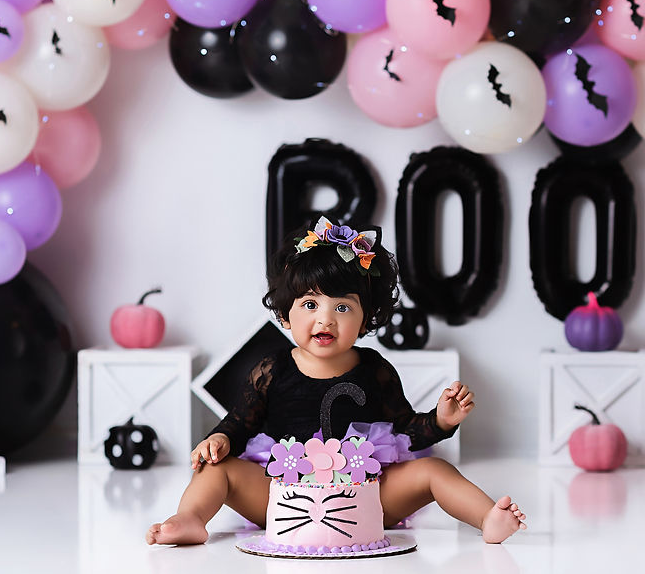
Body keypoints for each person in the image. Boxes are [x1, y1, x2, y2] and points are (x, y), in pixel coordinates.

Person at [146, 218, 527, 546]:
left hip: (366, 496)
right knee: (216, 469)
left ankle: (486, 519)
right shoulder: (271, 369)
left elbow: (407, 432)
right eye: (310, 305)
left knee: (434, 471)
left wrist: (442, 420)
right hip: (282, 497)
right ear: (284, 315)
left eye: (342, 307)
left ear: (365, 320)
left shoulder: (375, 368)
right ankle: (192, 519)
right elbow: (241, 422)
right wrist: (220, 438)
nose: (326, 320)